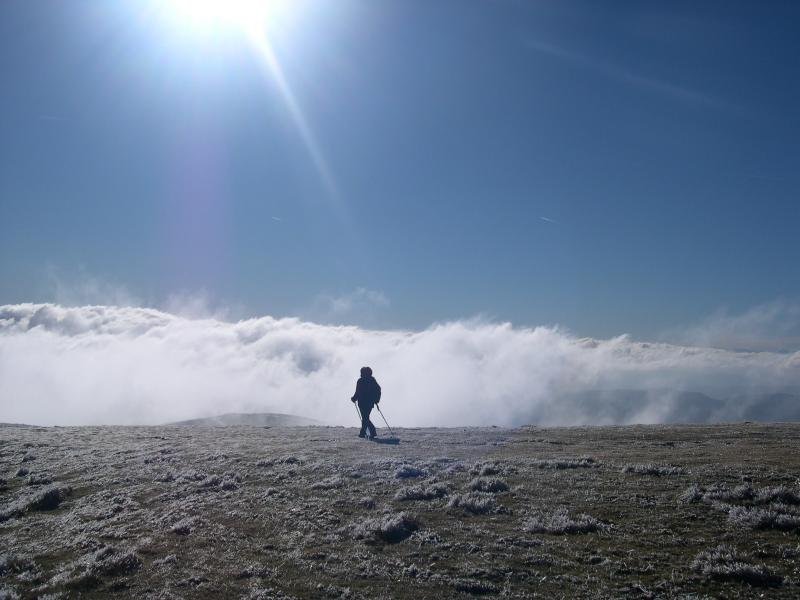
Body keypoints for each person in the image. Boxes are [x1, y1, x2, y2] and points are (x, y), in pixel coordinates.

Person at [351, 366, 381, 439]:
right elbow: (358, 391)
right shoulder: (370, 380)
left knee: (365, 418)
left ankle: (364, 433)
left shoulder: (362, 380)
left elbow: (358, 391)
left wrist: (354, 398)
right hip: (365, 402)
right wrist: (354, 398)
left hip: (364, 402)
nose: (361, 373)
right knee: (365, 418)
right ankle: (370, 432)